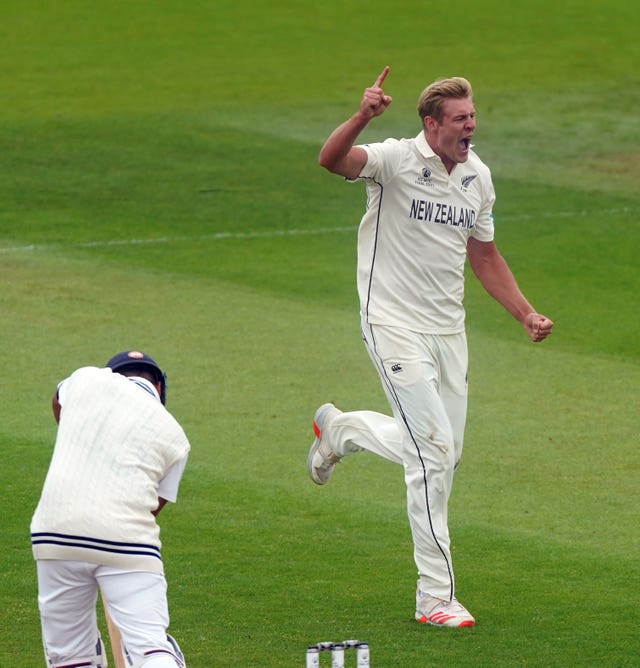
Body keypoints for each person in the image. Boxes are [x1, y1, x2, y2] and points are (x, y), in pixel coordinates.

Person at [307, 67, 553, 627]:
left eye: (473, 116)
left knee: (443, 453)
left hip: (449, 331)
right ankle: (434, 597)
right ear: (432, 124)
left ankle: (342, 430)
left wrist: (525, 313)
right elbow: (330, 160)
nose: (472, 126)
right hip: (392, 322)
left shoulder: (478, 178)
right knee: (432, 456)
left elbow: (485, 256)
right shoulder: (395, 159)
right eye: (462, 118)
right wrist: (362, 115)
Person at [31, 350, 190, 666]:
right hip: (126, 538)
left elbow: (58, 403)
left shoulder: (86, 378)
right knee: (150, 648)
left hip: (53, 532)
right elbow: (151, 507)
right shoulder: (175, 434)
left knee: (69, 655)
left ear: (114, 373)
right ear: (159, 388)